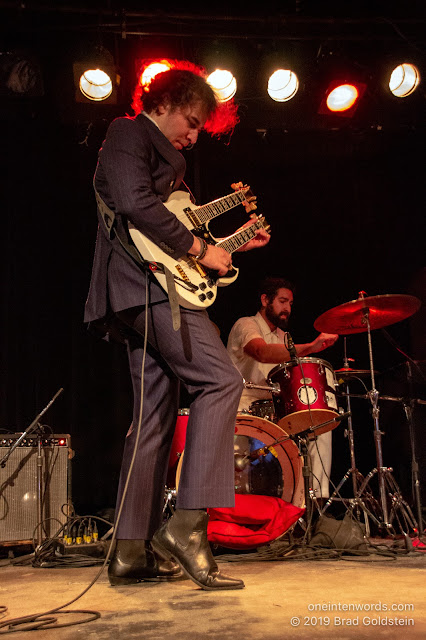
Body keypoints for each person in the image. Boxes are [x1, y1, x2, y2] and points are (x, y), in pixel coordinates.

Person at [84, 63, 270, 590]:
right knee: (222, 379)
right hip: (147, 290)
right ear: (164, 103)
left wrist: (227, 250)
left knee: (153, 421)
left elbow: (179, 229)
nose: (194, 135)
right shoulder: (126, 133)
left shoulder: (174, 164)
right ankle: (188, 526)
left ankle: (128, 550)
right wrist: (198, 248)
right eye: (191, 121)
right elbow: (133, 202)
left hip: (150, 290)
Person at [227, 277, 338, 506]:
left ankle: (315, 504)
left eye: (290, 303)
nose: (287, 308)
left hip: (275, 411)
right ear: (265, 300)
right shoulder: (246, 324)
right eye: (282, 301)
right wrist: (310, 347)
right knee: (238, 462)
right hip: (243, 408)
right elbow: (262, 352)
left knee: (319, 424)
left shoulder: (284, 338)